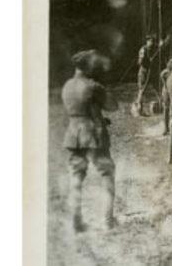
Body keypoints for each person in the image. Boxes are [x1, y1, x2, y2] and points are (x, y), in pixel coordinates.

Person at [61, 49, 116, 232]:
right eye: (93, 64)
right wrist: (104, 88)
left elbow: (80, 110)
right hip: (93, 135)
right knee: (107, 173)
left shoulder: (67, 85)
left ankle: (76, 222)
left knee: (76, 176)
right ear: (88, 67)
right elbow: (113, 106)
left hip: (73, 134)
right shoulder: (93, 86)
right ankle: (107, 221)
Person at [134, 35, 157, 115]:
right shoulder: (143, 49)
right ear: (147, 41)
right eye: (150, 41)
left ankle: (160, 105)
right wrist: (144, 59)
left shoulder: (154, 49)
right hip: (144, 71)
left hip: (151, 71)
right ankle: (139, 108)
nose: (152, 43)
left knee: (157, 87)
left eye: (153, 41)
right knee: (142, 90)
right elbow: (139, 62)